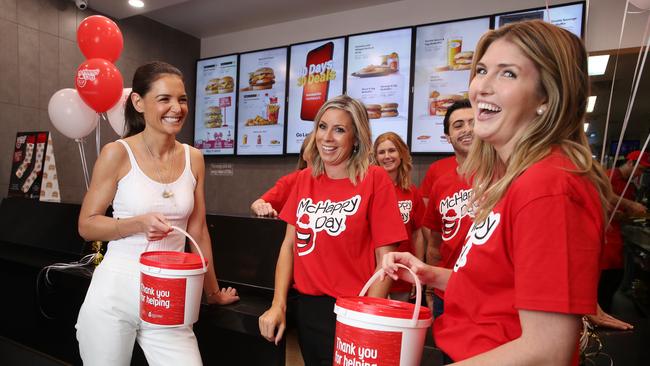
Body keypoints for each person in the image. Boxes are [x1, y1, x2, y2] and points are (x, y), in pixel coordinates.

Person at [382, 20, 613, 364]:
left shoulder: (549, 186)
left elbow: (547, 351)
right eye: (482, 70)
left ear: (547, 98)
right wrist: (431, 274)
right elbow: (500, 291)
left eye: (508, 74)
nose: (482, 88)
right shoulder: (513, 179)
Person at [76, 61, 239, 366]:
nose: (176, 108)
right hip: (115, 291)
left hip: (170, 295)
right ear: (138, 102)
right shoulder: (117, 153)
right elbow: (87, 225)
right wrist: (136, 223)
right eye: (164, 99)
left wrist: (212, 292)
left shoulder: (194, 158)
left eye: (182, 99)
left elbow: (199, 231)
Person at [258, 95, 407, 366]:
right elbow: (289, 247)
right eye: (322, 127)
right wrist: (278, 304)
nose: (327, 137)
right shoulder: (305, 180)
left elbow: (386, 263)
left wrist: (366, 322)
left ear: (356, 138)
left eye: (339, 130)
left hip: (354, 310)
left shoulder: (374, 179)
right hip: (309, 310)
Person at [421, 99, 474, 318]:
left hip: (493, 296)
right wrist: (431, 289)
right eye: (458, 125)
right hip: (448, 294)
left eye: (473, 122)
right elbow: (435, 246)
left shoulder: (506, 176)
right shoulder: (441, 184)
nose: (467, 129)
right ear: (448, 137)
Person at [373, 132, 425, 301]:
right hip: (375, 272)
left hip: (402, 272)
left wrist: (418, 271)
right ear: (375, 157)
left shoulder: (411, 192)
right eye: (381, 152)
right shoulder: (369, 190)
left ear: (401, 154)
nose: (387, 156)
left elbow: (417, 235)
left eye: (392, 150)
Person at [250, 136, 311, 217]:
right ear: (304, 155)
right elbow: (257, 204)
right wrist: (262, 208)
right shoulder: (293, 179)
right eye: (315, 149)